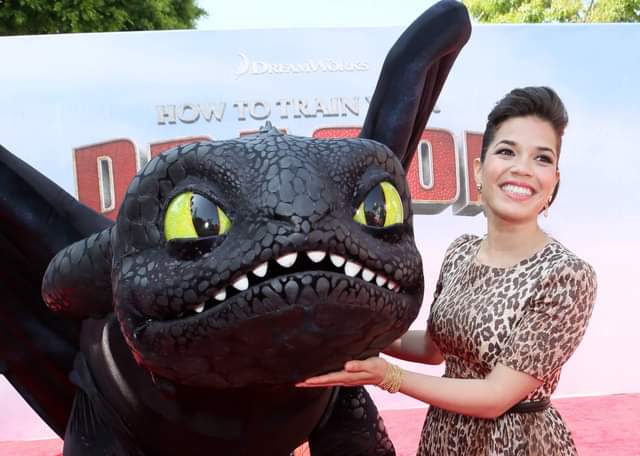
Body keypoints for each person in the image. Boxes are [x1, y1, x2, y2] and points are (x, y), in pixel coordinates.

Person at [297, 86, 597, 455]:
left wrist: (389, 376)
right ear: (479, 170)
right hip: (445, 438)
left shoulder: (566, 276)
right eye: (507, 151)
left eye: (542, 158)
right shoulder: (461, 252)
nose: (523, 169)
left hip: (517, 443)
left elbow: (496, 396)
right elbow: (434, 349)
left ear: (554, 182)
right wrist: (356, 330)